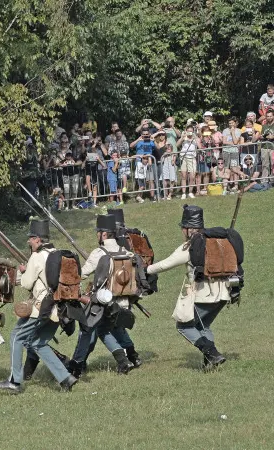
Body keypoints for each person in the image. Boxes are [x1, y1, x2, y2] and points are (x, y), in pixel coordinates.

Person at [147, 205, 238, 371]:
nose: (182, 231)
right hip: (225, 294)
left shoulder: (190, 246)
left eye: (183, 228)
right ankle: (209, 363)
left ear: (188, 229)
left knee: (183, 326)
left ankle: (213, 354)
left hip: (205, 295)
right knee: (203, 326)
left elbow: (165, 264)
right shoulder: (218, 242)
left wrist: (145, 270)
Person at [0, 219, 77, 394]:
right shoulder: (58, 253)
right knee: (38, 342)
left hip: (42, 307)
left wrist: (24, 272)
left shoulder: (37, 256)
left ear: (38, 239)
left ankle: (15, 381)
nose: (29, 241)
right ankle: (65, 378)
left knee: (16, 336)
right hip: (59, 308)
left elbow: (26, 283)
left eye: (31, 238)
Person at [67, 215, 143, 377]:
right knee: (110, 328)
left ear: (104, 234)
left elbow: (82, 274)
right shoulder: (126, 252)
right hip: (123, 301)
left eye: (98, 232)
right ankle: (131, 357)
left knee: (97, 329)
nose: (97, 235)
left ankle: (120, 362)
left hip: (103, 304)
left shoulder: (98, 253)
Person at [178, 125, 201, 199]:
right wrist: (182, 138)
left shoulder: (195, 138)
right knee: (184, 176)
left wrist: (196, 137)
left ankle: (190, 192)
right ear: (186, 131)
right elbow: (177, 145)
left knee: (192, 176)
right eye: (188, 131)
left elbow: (200, 147)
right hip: (184, 158)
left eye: (191, 131)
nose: (190, 132)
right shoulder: (183, 137)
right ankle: (184, 193)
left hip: (192, 158)